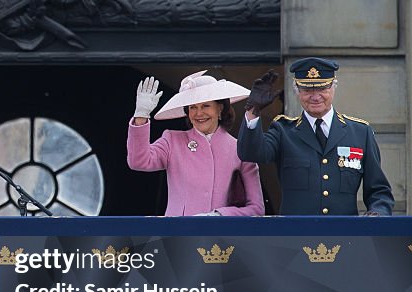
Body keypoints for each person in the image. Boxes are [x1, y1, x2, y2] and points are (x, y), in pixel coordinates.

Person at [237, 58, 393, 216]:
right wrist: (253, 111)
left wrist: (378, 213)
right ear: (297, 91)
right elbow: (251, 153)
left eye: (322, 88)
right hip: (296, 235)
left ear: (333, 87)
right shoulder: (283, 131)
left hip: (345, 235)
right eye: (307, 90)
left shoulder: (360, 132)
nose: (315, 96)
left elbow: (378, 190)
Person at [127, 71, 264, 216]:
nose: (199, 113)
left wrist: (219, 216)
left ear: (220, 108)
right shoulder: (172, 141)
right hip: (177, 234)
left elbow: (256, 209)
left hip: (221, 236)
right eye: (193, 107)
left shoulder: (241, 150)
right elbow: (138, 161)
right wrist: (141, 116)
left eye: (205, 106)